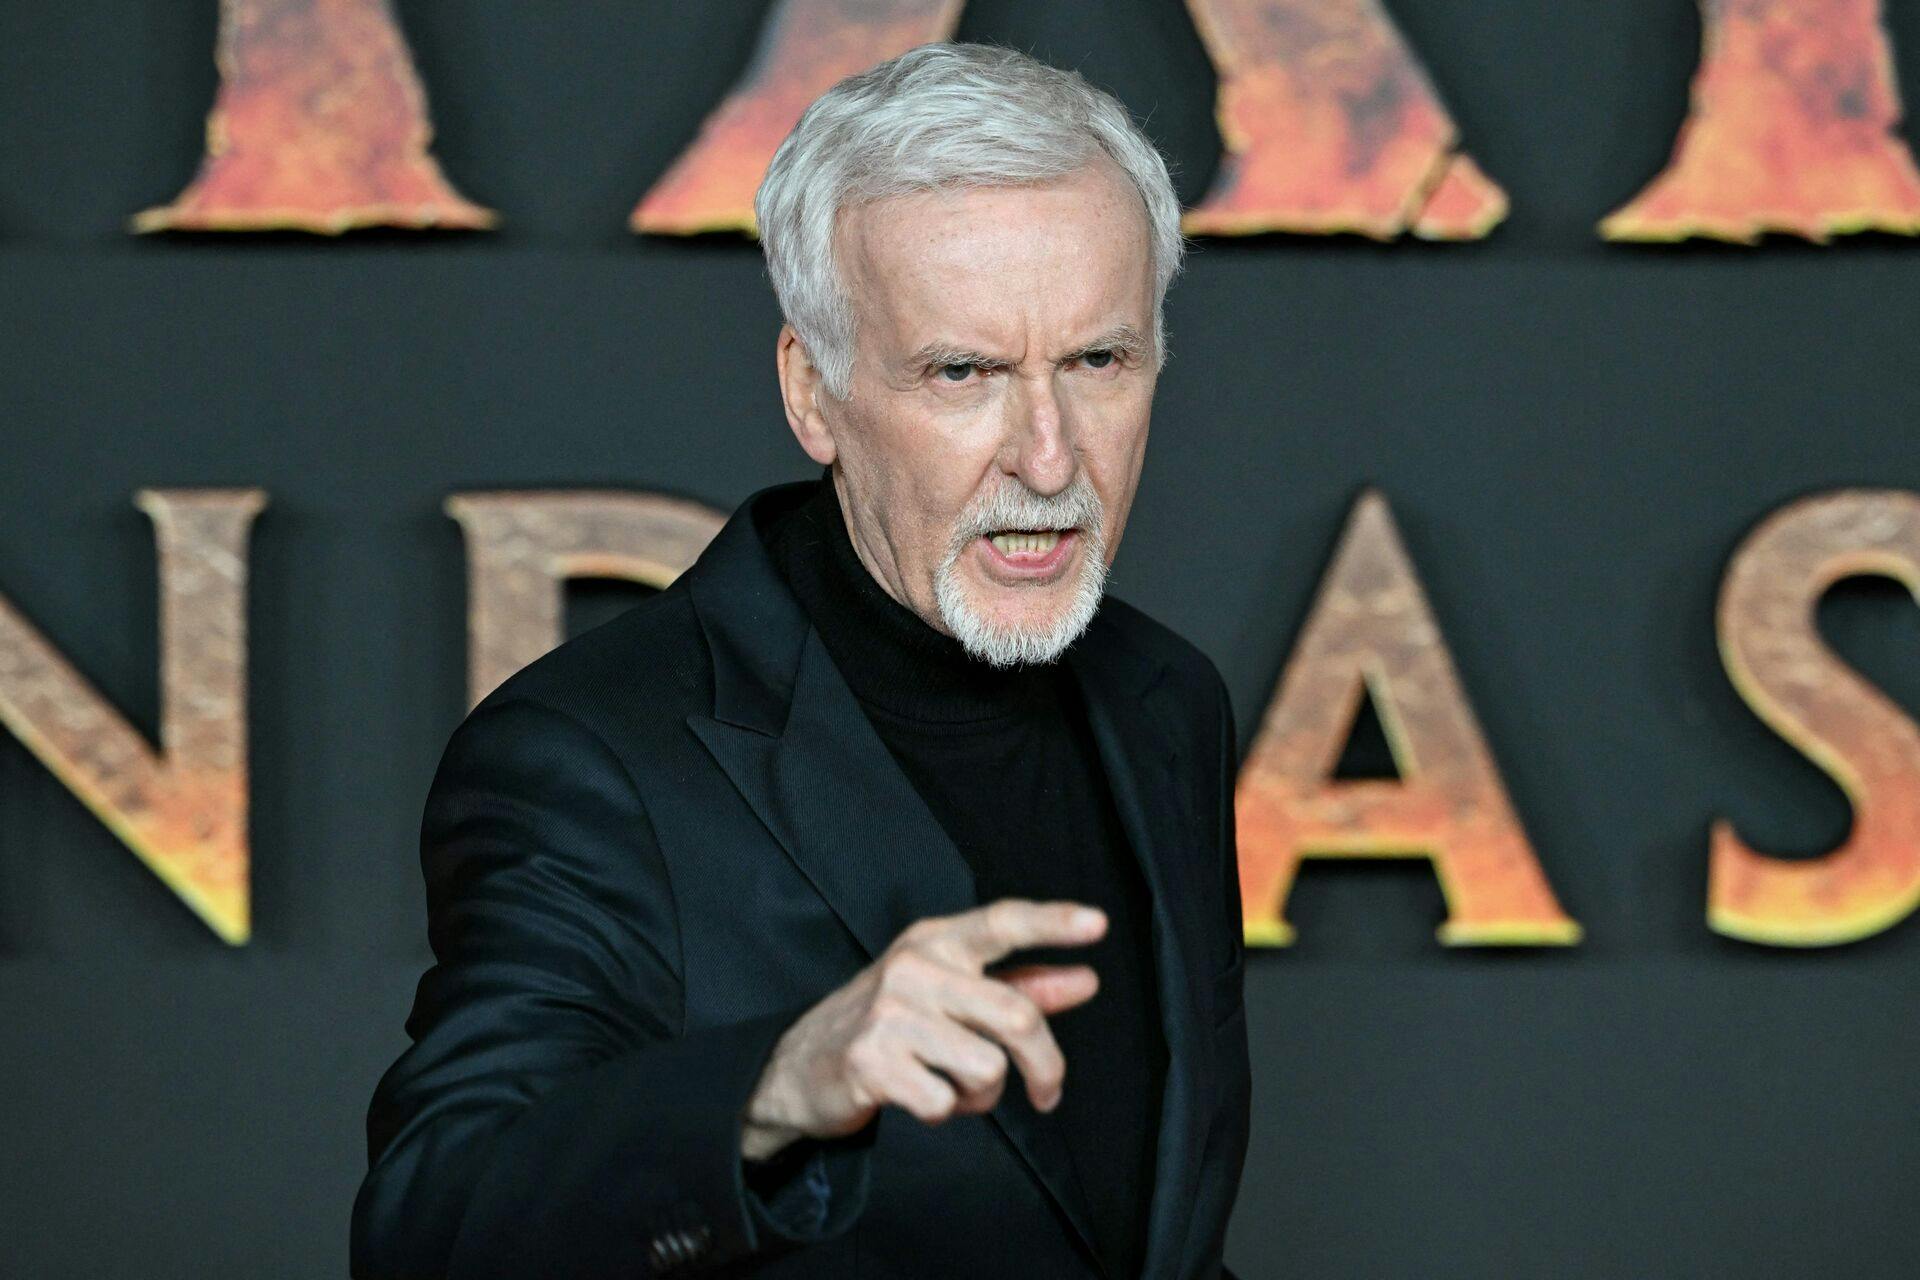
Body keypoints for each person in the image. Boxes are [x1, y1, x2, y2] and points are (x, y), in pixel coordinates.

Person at [351, 42, 1248, 1280]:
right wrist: (779, 1083)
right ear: (813, 392)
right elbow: (429, 1225)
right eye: (963, 372)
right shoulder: (588, 755)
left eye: (1098, 361)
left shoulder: (1167, 704)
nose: (1050, 457)